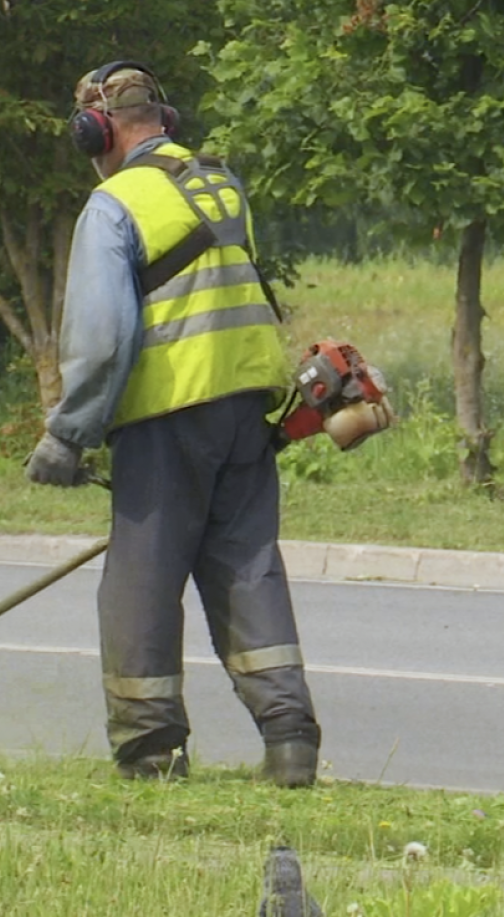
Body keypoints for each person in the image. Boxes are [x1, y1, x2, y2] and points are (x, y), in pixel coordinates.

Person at [23, 60, 322, 788]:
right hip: (246, 412)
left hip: (166, 416)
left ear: (96, 129)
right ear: (163, 119)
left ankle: (151, 752)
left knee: (140, 583)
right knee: (246, 573)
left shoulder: (115, 203)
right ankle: (289, 743)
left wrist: (68, 433)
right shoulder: (221, 183)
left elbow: (101, 335)